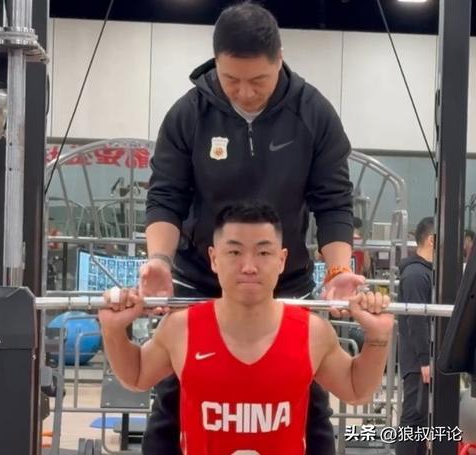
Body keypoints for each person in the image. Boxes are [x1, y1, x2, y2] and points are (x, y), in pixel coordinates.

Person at [142, 2, 362, 453]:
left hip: (285, 281)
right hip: (202, 279)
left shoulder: (314, 114)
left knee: (308, 399)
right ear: (216, 63)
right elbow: (166, 196)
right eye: (232, 80)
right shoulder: (188, 114)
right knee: (173, 397)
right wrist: (159, 261)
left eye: (258, 80)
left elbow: (334, 202)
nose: (244, 92)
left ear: (280, 59)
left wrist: (339, 271)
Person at [101, 202, 394, 454]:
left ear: (281, 260)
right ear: (214, 259)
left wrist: (378, 337)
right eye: (235, 252)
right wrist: (113, 331)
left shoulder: (312, 332)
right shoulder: (181, 328)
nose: (249, 266)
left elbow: (356, 390)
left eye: (263, 253)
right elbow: (137, 375)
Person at [396, 217, 434, 455]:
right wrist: (425, 359)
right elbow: (417, 320)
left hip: (423, 358)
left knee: (421, 420)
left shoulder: (426, 272)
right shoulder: (416, 275)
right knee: (413, 418)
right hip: (418, 361)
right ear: (432, 240)